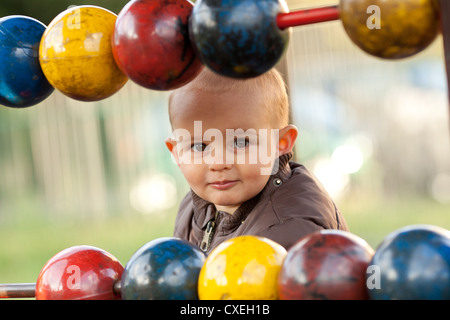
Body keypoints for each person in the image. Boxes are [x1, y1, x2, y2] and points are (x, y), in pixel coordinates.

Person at [165, 67, 348, 254]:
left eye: (241, 142)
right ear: (177, 153)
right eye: (199, 147)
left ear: (281, 143)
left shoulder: (287, 231)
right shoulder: (194, 207)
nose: (219, 163)